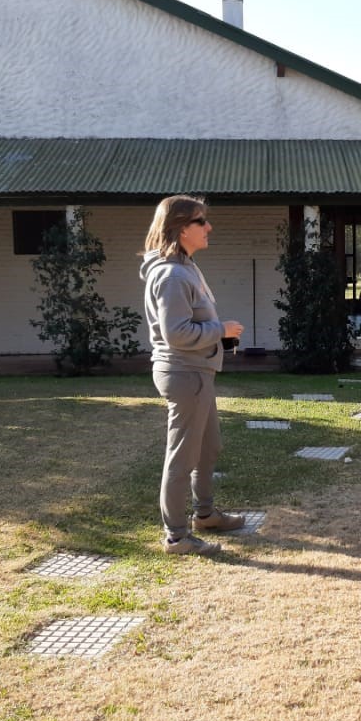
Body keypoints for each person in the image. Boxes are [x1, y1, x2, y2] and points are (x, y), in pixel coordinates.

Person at [140, 196, 246, 556]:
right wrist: (220, 329)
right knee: (182, 457)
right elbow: (177, 333)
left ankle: (205, 514)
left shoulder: (184, 267)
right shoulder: (171, 274)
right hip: (185, 375)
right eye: (202, 221)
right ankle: (177, 536)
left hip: (197, 372)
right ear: (182, 228)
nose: (209, 227)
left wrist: (220, 334)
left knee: (208, 447)